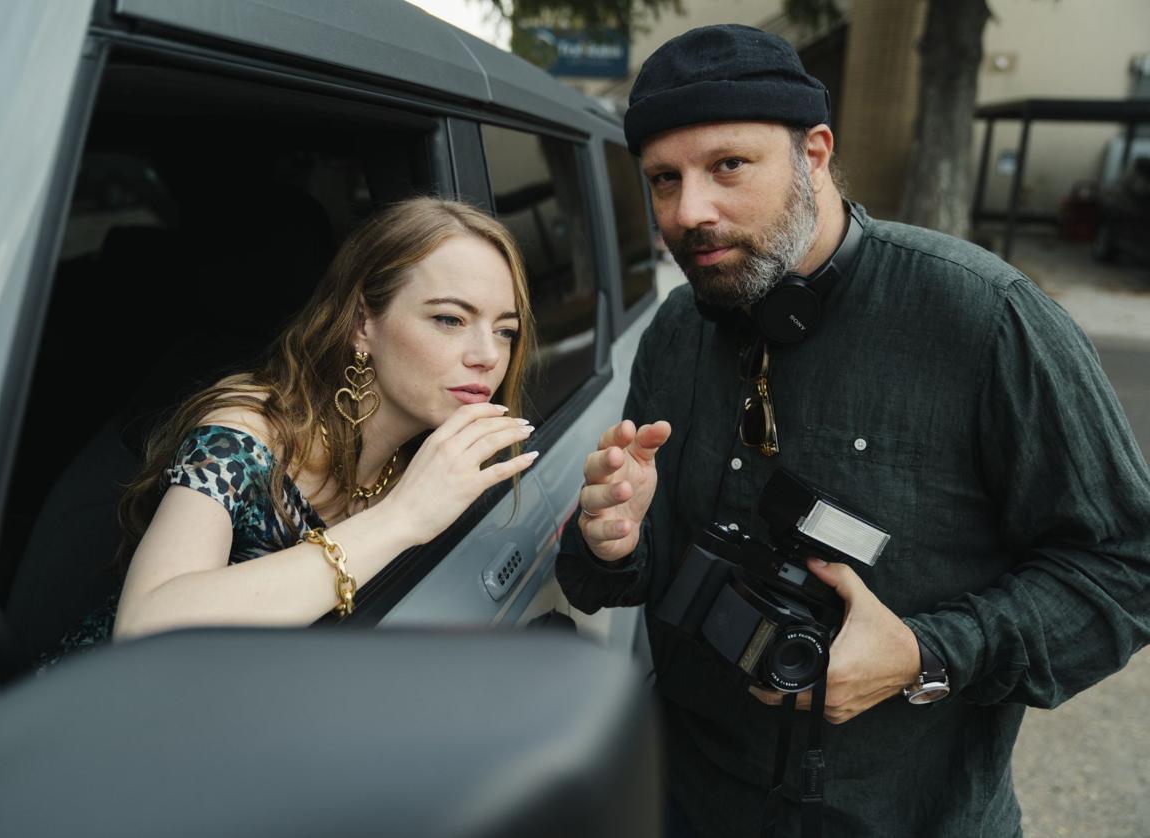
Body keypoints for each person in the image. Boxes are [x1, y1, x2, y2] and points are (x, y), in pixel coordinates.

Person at [556, 24, 1150, 838]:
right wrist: (610, 542)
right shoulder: (675, 329)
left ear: (815, 154)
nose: (690, 210)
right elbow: (635, 574)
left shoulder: (985, 318)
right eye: (664, 179)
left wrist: (926, 652)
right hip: (688, 800)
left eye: (728, 165)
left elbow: (1123, 567)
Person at [56, 196, 538, 646]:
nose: (488, 356)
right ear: (361, 324)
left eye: (505, 330)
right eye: (450, 319)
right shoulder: (245, 435)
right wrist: (402, 519)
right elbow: (146, 627)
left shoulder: (432, 461)